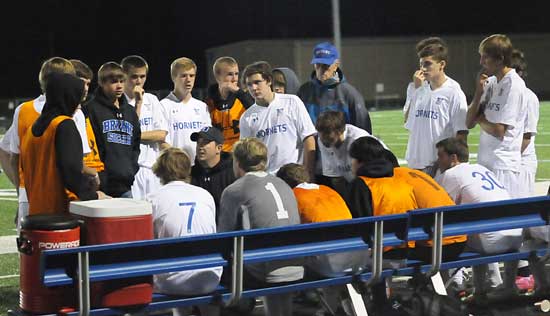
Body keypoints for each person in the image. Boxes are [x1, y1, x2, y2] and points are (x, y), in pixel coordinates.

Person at [0, 57, 89, 230]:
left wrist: (21, 193)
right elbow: (76, 165)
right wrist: (92, 190)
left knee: (31, 252)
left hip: (30, 193)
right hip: (61, 198)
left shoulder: (24, 111)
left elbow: (10, 156)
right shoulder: (70, 117)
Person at [218, 138, 303, 316]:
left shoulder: (234, 190)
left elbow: (223, 238)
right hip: (296, 263)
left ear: (238, 162)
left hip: (263, 269)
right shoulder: (284, 184)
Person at [435, 137, 522, 300]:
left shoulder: (450, 175)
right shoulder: (481, 168)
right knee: (476, 232)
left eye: (441, 156)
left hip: (492, 241)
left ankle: (446, 297)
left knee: (443, 246)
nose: (438, 161)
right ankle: (490, 288)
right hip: (516, 236)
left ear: (453, 158)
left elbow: (440, 210)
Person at [276, 163, 361, 315]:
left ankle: (326, 308)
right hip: (355, 256)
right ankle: (333, 308)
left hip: (330, 261)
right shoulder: (328, 190)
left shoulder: (292, 197)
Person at [346, 136, 418, 312]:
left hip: (380, 257)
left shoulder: (362, 185)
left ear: (360, 161)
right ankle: (381, 302)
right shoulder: (401, 181)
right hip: (408, 251)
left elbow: (358, 227)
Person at [20, 73, 107, 215]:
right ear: (68, 97)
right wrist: (93, 195)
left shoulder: (32, 129)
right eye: (76, 98)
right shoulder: (63, 125)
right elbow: (71, 171)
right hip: (60, 212)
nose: (78, 104)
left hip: (36, 211)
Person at [148, 147, 220, 316]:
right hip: (210, 276)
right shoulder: (205, 195)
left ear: (160, 170)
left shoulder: (153, 198)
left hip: (173, 281)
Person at [465, 34, 526, 198]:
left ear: (499, 59)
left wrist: (480, 118)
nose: (481, 62)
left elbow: (499, 130)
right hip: (485, 162)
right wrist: (478, 93)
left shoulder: (513, 86)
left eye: (485, 57)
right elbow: (469, 122)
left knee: (505, 219)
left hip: (502, 165)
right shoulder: (490, 82)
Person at [239, 61, 317, 175]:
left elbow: (308, 138)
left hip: (295, 175)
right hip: (267, 179)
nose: (253, 88)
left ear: (269, 81)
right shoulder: (246, 117)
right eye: (249, 84)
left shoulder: (292, 102)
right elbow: (246, 155)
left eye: (257, 82)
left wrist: (308, 173)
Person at [404, 40, 468, 176]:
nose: (423, 69)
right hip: (414, 162)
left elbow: (461, 134)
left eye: (427, 64)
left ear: (442, 65)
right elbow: (408, 122)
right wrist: (417, 90)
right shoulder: (417, 87)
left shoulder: (453, 92)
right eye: (421, 64)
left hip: (437, 165)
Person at [84, 62, 141, 198]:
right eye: (114, 82)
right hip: (101, 185)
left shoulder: (130, 111)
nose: (119, 85)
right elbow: (91, 145)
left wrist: (131, 169)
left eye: (122, 81)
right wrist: (99, 175)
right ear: (102, 83)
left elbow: (136, 144)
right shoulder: (91, 109)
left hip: (125, 184)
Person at [121, 55, 169, 199]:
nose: (139, 81)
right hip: (131, 170)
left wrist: (135, 135)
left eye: (142, 76)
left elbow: (161, 134)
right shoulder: (118, 103)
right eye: (134, 77)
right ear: (124, 76)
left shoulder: (152, 100)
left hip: (152, 168)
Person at [297, 42, 372, 134]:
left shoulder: (349, 94)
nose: (321, 70)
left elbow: (363, 132)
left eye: (326, 66)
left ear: (336, 65)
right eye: (318, 65)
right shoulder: (304, 91)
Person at [314, 110, 384, 198]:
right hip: (357, 183)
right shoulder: (323, 141)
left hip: (377, 183)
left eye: (327, 133)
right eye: (320, 133)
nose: (322, 138)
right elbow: (336, 177)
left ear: (339, 131)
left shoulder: (358, 140)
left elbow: (371, 177)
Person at [161, 57, 211, 163]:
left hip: (199, 168)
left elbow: (207, 138)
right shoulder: (163, 106)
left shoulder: (202, 107)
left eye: (191, 76)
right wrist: (177, 162)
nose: (188, 80)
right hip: (175, 167)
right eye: (183, 76)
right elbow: (161, 142)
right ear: (174, 77)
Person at [205, 56, 254, 152]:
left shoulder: (244, 97)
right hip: (218, 154)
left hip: (240, 152)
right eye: (230, 74)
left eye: (236, 74)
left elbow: (257, 114)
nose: (234, 79)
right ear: (218, 76)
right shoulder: (209, 102)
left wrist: (240, 93)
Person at [510, 49, 539, 197]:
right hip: (507, 161)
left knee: (519, 208)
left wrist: (510, 158)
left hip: (521, 163)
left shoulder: (529, 98)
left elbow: (526, 137)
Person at [190, 126, 235, 222]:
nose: (200, 146)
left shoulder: (233, 172)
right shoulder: (190, 174)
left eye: (205, 142)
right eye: (198, 142)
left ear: (218, 148)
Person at [403, 37, 447, 123]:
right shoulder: (414, 85)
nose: (423, 68)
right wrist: (418, 90)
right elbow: (407, 120)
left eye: (427, 62)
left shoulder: (452, 89)